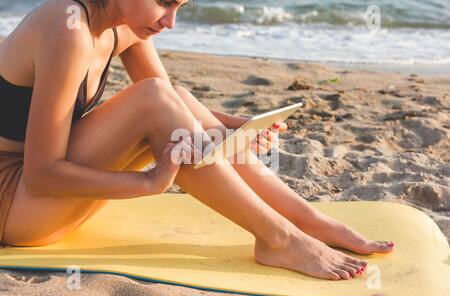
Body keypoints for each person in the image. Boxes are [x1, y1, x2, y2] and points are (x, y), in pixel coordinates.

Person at [0, 0, 394, 281]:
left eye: (181, 7)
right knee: (153, 100)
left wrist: (234, 126)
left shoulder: (123, 22)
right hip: (16, 205)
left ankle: (308, 221)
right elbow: (40, 174)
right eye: (164, 3)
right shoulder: (67, 27)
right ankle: (279, 238)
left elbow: (174, 104)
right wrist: (148, 183)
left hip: (40, 198)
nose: (170, 21)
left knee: (171, 98)